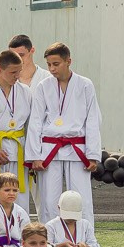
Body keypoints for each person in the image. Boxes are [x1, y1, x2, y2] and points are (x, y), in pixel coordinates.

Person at [30, 43, 102, 223]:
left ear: (68, 61)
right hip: (49, 148)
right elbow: (35, 121)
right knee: (49, 200)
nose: (52, 69)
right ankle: (48, 238)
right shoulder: (43, 86)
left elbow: (93, 119)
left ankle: (84, 237)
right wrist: (35, 156)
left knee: (81, 199)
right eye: (49, 64)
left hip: (77, 147)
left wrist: (93, 155)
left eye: (56, 64)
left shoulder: (85, 85)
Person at [0, 49, 36, 194]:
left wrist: (32, 154)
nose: (17, 76)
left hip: (19, 150)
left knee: (19, 196)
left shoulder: (26, 91)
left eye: (19, 71)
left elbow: (32, 125)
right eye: (13, 72)